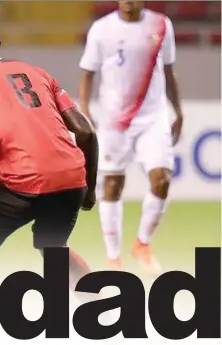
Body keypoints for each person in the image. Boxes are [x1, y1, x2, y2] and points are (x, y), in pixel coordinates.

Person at [0, 11, 100, 297]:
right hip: (72, 180)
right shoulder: (37, 72)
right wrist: (89, 189)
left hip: (20, 182)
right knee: (53, 252)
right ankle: (103, 310)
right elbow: (86, 132)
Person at [78, 1, 183, 276]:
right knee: (112, 186)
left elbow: (169, 71)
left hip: (153, 117)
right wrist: (86, 108)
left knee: (162, 179)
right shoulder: (102, 29)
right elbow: (88, 71)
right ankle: (113, 258)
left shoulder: (161, 25)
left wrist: (178, 110)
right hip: (114, 119)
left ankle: (142, 244)